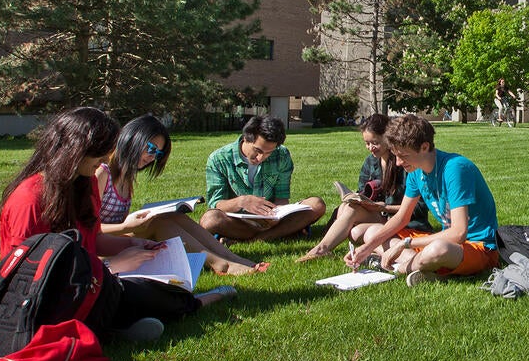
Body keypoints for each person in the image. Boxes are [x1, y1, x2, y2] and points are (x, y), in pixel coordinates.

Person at [0, 107, 235, 343]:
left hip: (89, 281)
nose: (104, 160)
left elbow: (94, 239)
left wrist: (133, 244)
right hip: (56, 298)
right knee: (142, 293)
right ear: (73, 150)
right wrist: (110, 267)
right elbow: (28, 279)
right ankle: (193, 304)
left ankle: (116, 325)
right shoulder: (30, 199)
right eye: (100, 153)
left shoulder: (84, 184)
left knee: (151, 287)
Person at [96, 114, 267, 275]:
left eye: (157, 154)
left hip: (114, 241)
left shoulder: (126, 176)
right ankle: (222, 265)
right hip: (98, 250)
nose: (152, 157)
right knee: (159, 223)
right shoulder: (102, 173)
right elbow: (86, 230)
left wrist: (128, 225)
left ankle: (232, 258)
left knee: (172, 215)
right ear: (133, 138)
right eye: (150, 148)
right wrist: (125, 226)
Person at [345, 114, 499, 286]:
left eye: (403, 155)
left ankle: (398, 267)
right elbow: (401, 217)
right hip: (445, 241)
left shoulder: (455, 169)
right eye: (395, 155)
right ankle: (421, 265)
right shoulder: (416, 171)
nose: (398, 163)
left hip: (478, 247)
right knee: (372, 232)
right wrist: (365, 249)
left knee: (438, 249)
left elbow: (458, 233)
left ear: (424, 147)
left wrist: (404, 244)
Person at [298, 114, 432, 262]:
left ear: (387, 138)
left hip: (405, 221)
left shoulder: (406, 163)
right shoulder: (371, 162)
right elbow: (363, 191)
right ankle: (323, 248)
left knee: (355, 228)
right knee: (347, 211)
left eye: (375, 143)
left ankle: (322, 249)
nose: (370, 148)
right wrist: (360, 200)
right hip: (381, 215)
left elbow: (417, 209)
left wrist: (383, 207)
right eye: (367, 143)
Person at [199, 115, 327, 243]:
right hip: (238, 220)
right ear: (246, 138)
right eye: (257, 150)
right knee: (210, 220)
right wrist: (241, 202)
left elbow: (282, 197)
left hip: (270, 219)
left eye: (268, 153)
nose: (260, 158)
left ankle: (255, 238)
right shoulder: (219, 159)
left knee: (316, 204)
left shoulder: (281, 155)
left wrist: (276, 215)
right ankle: (281, 233)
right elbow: (216, 204)